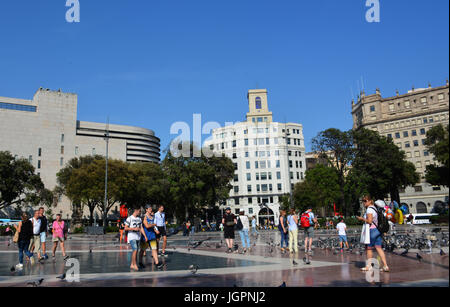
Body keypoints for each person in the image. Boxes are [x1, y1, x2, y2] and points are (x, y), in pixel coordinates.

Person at [357, 195, 390, 272]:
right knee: (378, 247)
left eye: (365, 201)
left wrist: (362, 219)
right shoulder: (374, 208)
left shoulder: (369, 209)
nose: (364, 203)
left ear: (369, 201)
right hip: (378, 230)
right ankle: (385, 266)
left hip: (372, 231)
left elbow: (370, 221)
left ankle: (369, 266)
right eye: (363, 201)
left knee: (369, 248)